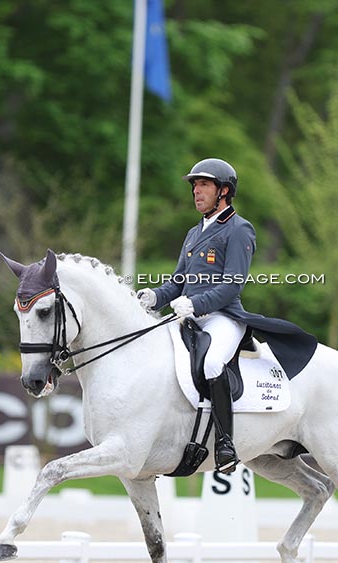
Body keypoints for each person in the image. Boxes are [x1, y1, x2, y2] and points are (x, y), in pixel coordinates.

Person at [136, 158, 318, 474]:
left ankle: (225, 444)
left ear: (223, 191)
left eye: (203, 185)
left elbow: (232, 284)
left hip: (223, 318)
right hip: (188, 316)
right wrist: (156, 295)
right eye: (194, 185)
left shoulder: (239, 229)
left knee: (211, 363)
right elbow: (179, 280)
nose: (196, 191)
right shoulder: (194, 232)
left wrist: (196, 305)